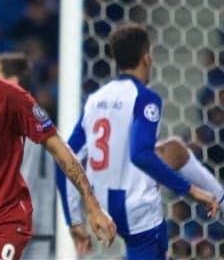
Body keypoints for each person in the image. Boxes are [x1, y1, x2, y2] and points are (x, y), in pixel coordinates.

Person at [56, 23, 219, 259]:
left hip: (101, 205)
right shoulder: (145, 98)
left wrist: (75, 220)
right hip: (135, 209)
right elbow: (140, 154)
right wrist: (191, 190)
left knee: (173, 150)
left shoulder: (96, 99)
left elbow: (65, 157)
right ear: (146, 57)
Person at [0, 52, 116, 260]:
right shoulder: (29, 116)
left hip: (13, 223)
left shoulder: (10, 116)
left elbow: (38, 166)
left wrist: (84, 211)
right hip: (36, 224)